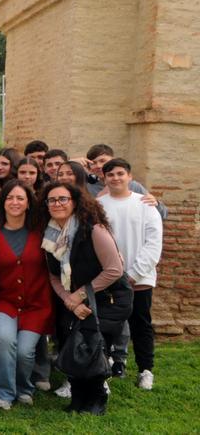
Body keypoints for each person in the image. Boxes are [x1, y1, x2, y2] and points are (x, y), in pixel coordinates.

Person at [41, 182, 130, 414]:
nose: (57, 204)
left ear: (75, 202)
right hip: (74, 300)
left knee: (92, 345)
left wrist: (79, 297)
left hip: (108, 298)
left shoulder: (94, 230)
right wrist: (69, 300)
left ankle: (97, 398)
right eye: (52, 200)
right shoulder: (50, 235)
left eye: (63, 199)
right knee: (74, 344)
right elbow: (53, 275)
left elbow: (114, 270)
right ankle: (78, 398)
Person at [0, 180, 53, 409]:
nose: (14, 202)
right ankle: (3, 393)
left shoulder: (41, 230)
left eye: (20, 198)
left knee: (26, 352)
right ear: (2, 202)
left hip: (36, 304)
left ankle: (24, 388)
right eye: (10, 198)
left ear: (28, 204)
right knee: (4, 341)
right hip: (4, 302)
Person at [98, 158, 161, 390]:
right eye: (110, 174)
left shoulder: (145, 204)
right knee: (105, 326)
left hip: (139, 278)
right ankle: (102, 369)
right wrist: (112, 274)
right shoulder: (99, 205)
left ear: (130, 177)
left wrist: (133, 274)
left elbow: (153, 242)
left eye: (120, 173)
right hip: (108, 278)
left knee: (140, 325)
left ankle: (146, 370)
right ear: (104, 178)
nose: (115, 178)